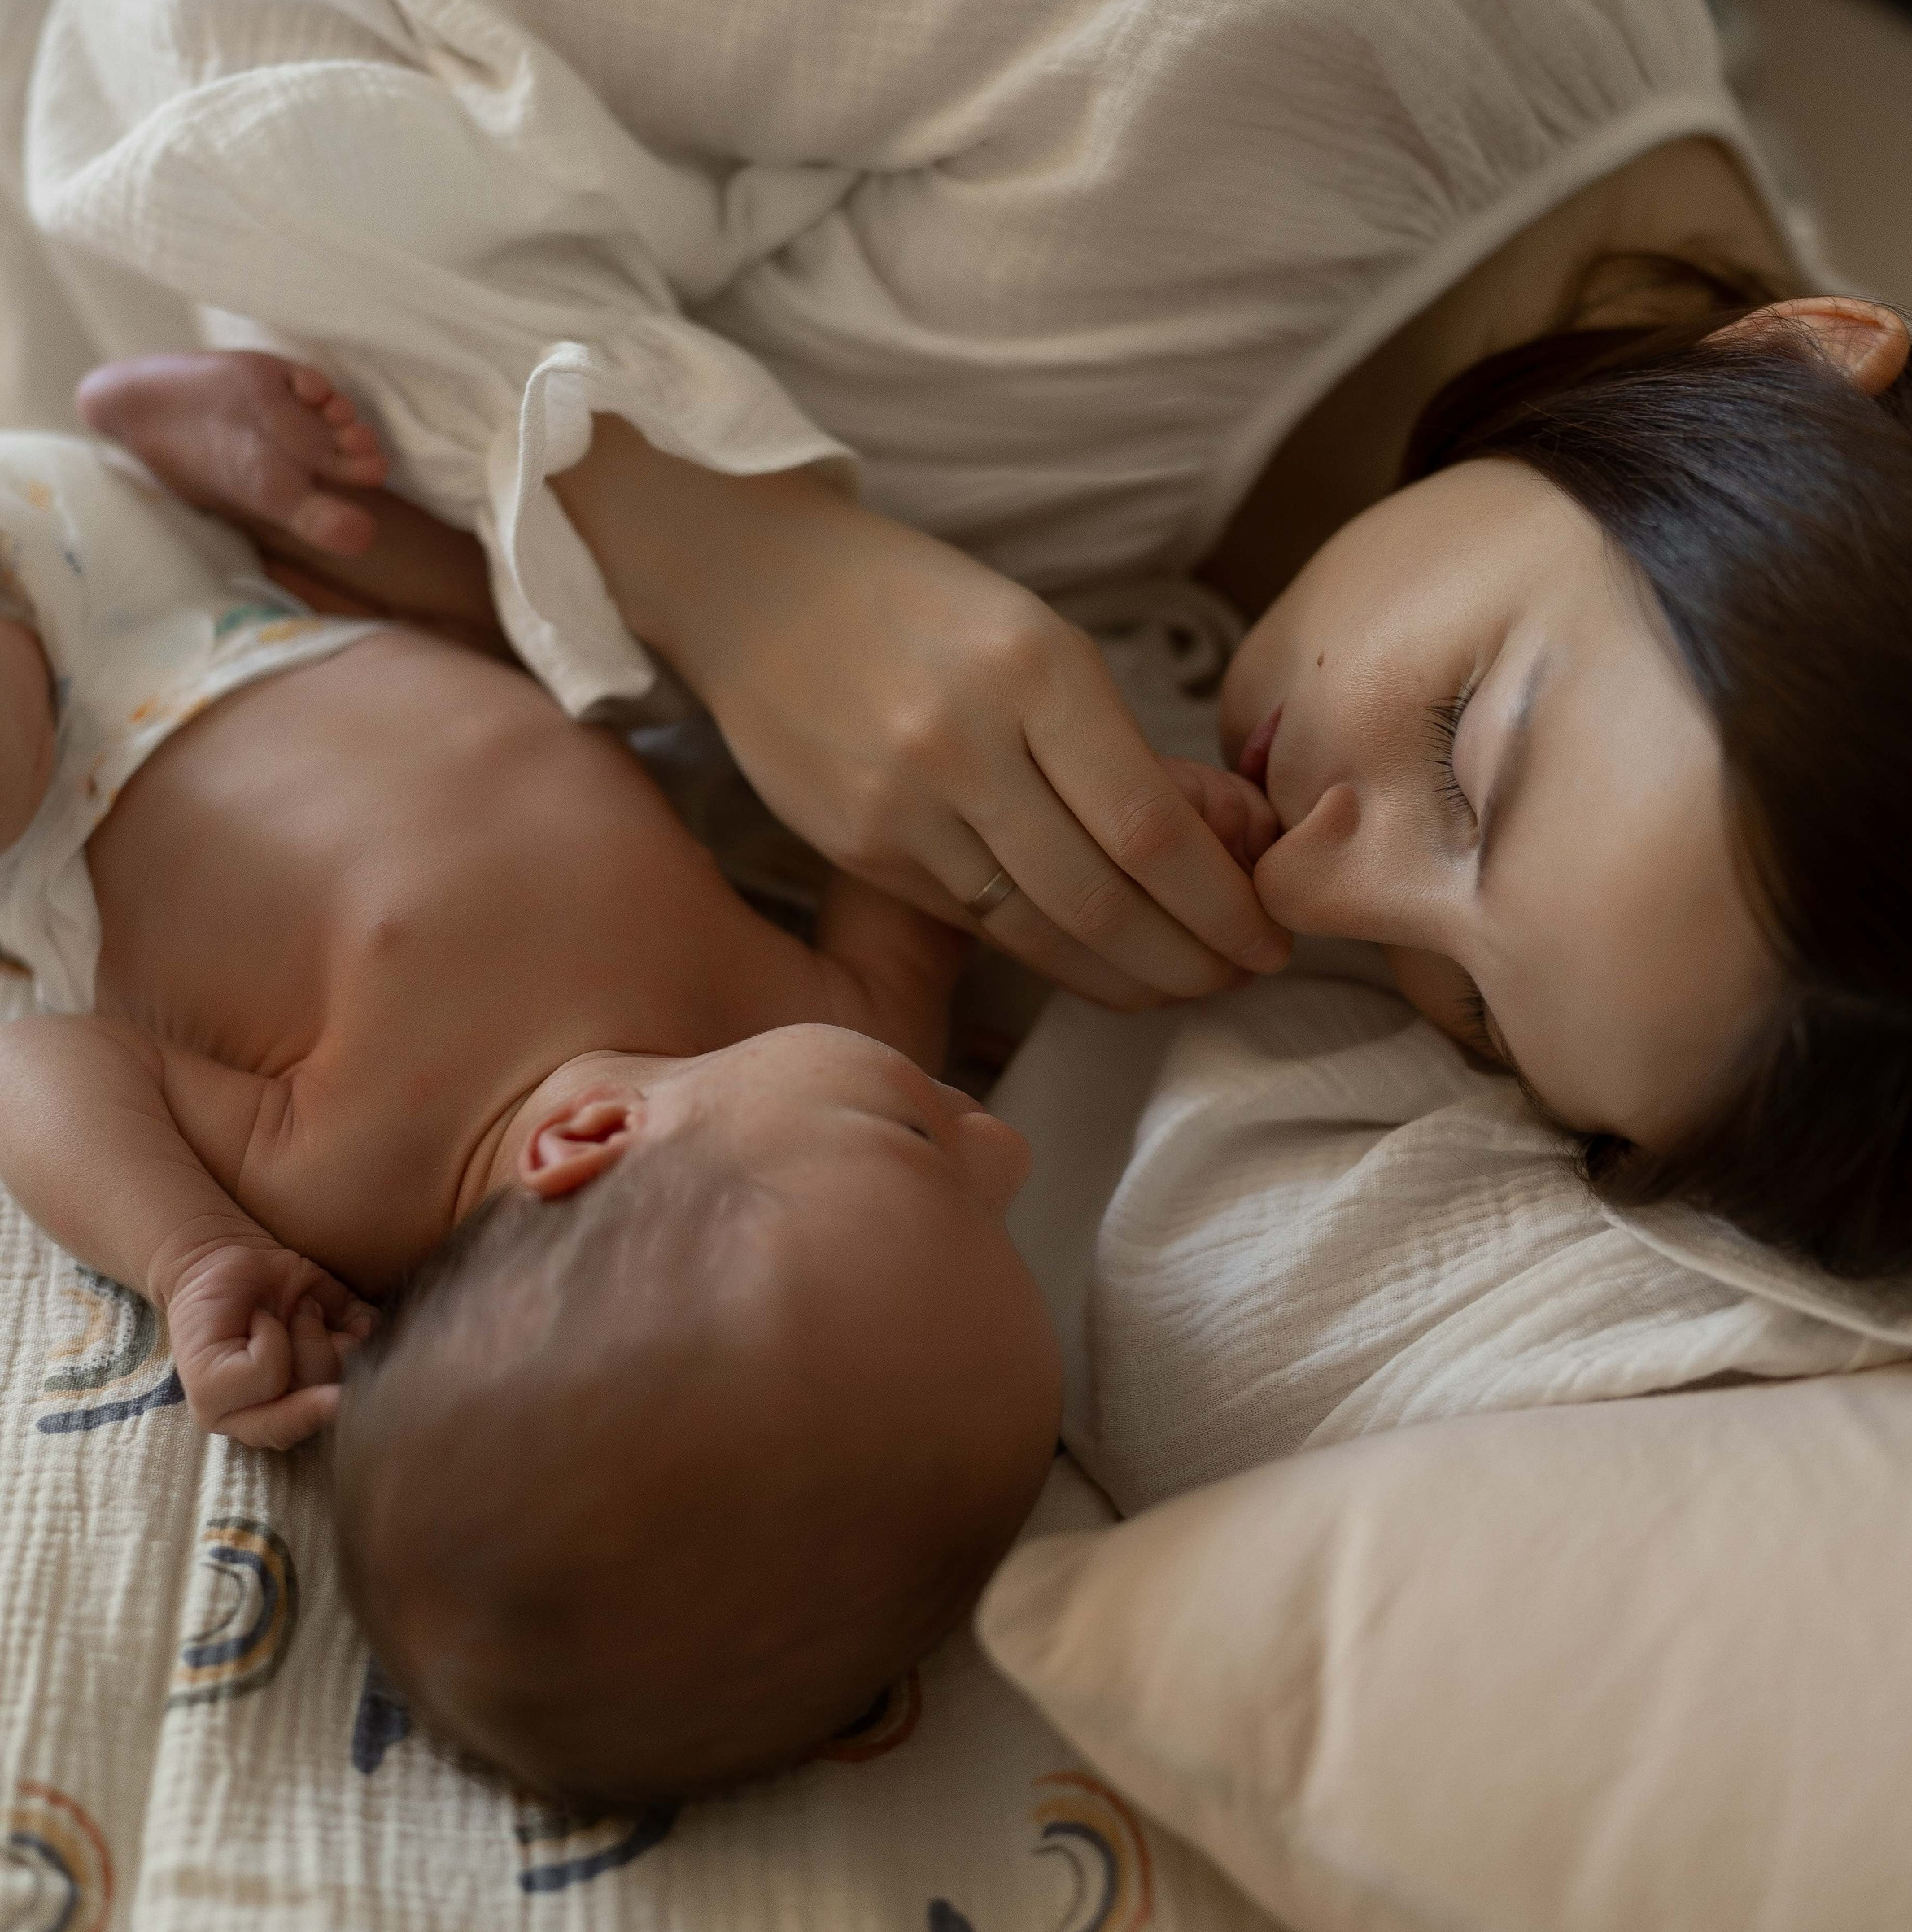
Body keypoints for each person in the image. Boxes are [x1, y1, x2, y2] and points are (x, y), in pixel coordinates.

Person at [31, 0, 1912, 1290]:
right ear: (1796, 358)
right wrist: (722, 551)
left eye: (1463, 1011)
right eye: (1468, 748)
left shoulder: (1735, 932)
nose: (1322, 890)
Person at [0, 423, 1207, 1794]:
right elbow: (921, 844)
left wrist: (191, 1250)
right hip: (299, 586)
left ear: (587, 1145)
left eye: (924, 1143)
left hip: (63, 772)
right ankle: (174, 416)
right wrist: (1129, 832)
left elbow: (41, 1066)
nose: (1000, 1137)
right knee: (402, 497)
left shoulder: (344, 1168)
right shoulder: (849, 1019)